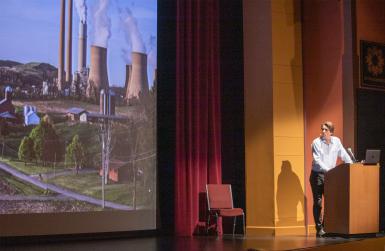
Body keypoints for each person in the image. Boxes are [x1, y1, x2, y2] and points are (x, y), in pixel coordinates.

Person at [310, 121, 353, 237]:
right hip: (318, 175)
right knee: (318, 203)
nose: (323, 131)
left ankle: (326, 227)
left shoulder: (336, 141)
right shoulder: (316, 142)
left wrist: (351, 165)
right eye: (322, 129)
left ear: (331, 132)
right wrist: (329, 171)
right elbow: (317, 161)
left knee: (330, 202)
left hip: (331, 176)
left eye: (326, 130)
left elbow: (344, 155)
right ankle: (319, 228)